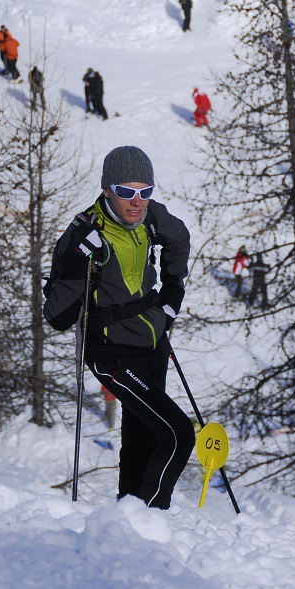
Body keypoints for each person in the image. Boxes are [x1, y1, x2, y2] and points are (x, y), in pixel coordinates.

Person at [43, 146, 194, 510]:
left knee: (142, 435)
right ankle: (151, 516)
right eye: (127, 192)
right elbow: (57, 316)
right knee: (177, 434)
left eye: (145, 191)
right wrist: (76, 262)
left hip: (153, 341)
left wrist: (173, 293)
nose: (137, 201)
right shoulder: (84, 233)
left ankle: (128, 516)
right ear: (107, 189)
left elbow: (180, 236)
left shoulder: (151, 218)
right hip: (111, 353)